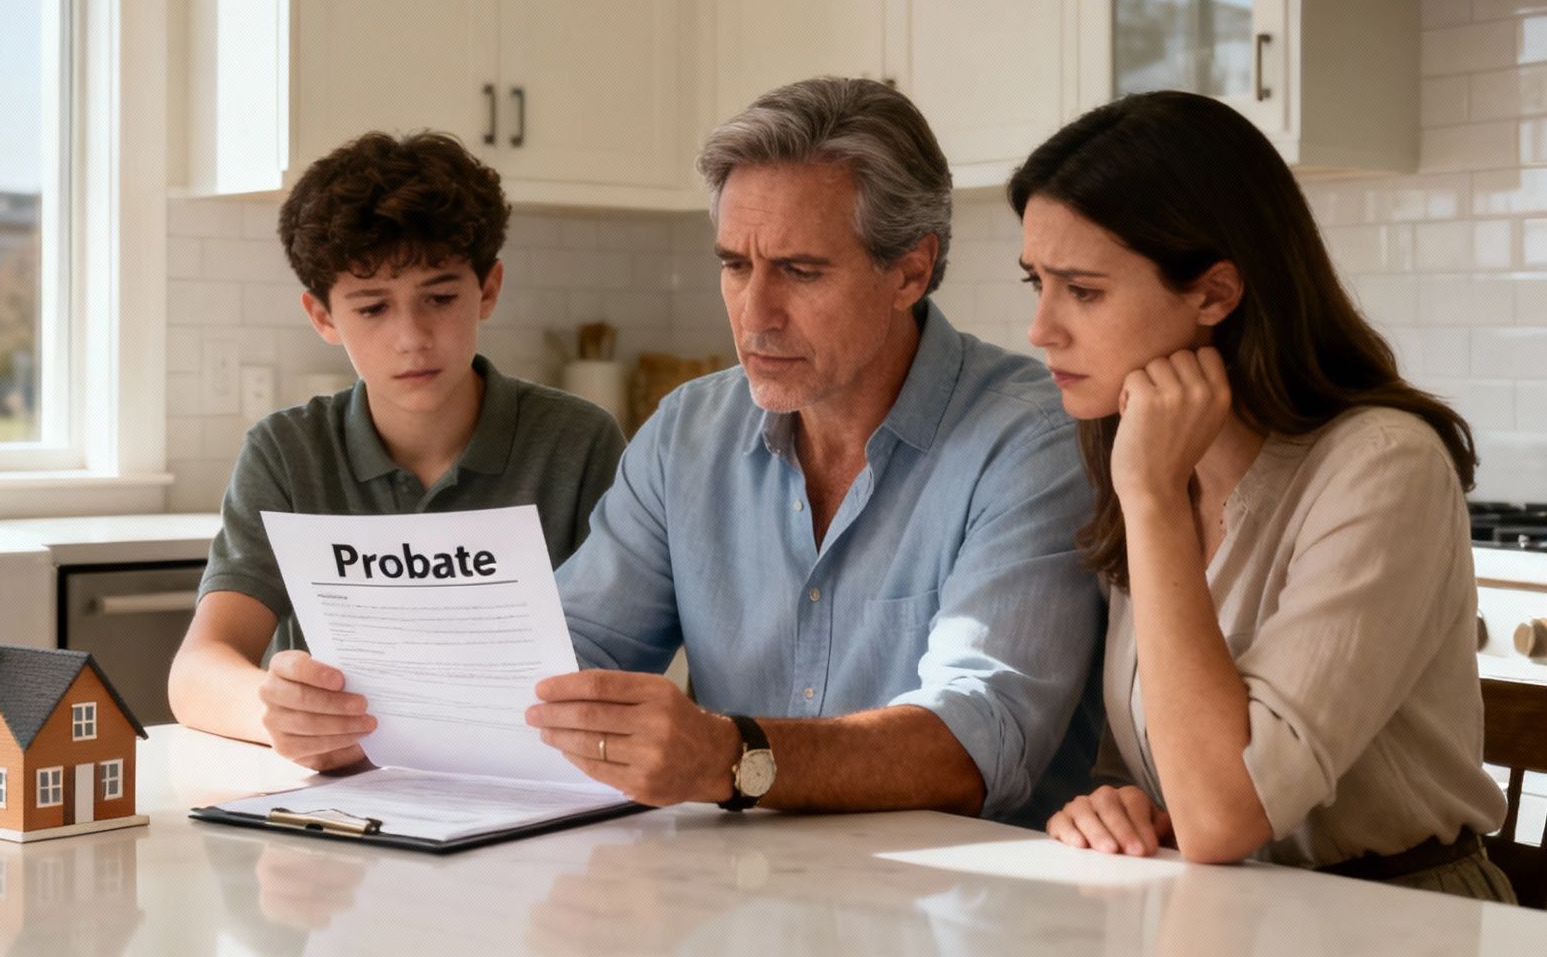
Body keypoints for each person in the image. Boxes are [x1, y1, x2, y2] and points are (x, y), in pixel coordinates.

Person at [525, 76, 1104, 823]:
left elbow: (979, 737)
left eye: (800, 271)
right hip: (739, 902)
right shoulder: (686, 432)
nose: (754, 315)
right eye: (735, 265)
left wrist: (729, 756)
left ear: (910, 271)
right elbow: (572, 652)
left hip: (961, 913)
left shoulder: (1032, 441)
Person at [1020, 91, 1514, 901]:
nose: (1041, 327)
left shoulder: (1385, 467)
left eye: (1083, 290)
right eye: (1035, 281)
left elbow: (1220, 817)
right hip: (1227, 914)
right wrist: (1118, 806)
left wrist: (1147, 500)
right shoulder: (1145, 449)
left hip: (1400, 924)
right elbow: (1156, 773)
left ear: (1214, 294)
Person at [166, 130, 626, 769]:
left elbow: (618, 672)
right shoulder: (286, 452)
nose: (412, 338)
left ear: (488, 289)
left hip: (526, 793)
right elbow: (195, 671)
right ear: (323, 316)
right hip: (341, 812)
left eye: (439, 298)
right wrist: (273, 713)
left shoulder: (578, 443)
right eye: (373, 308)